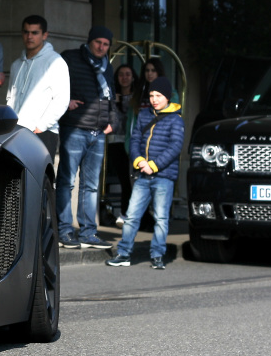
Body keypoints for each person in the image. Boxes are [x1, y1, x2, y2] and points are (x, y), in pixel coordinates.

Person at [107, 77, 184, 270]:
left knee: (160, 218)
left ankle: (158, 255)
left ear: (167, 97)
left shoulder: (176, 118)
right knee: (132, 216)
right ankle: (123, 254)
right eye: (151, 95)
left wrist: (154, 165)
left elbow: (176, 146)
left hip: (163, 177)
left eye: (158, 95)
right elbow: (134, 140)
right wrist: (139, 160)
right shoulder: (143, 115)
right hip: (142, 174)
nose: (154, 99)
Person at [56, 26, 120, 250]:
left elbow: (111, 95)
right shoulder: (70, 58)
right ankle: (64, 230)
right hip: (74, 128)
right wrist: (65, 104)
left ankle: (88, 232)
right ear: (89, 41)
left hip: (98, 132)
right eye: (98, 43)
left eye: (105, 44)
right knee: (66, 182)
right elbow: (53, 85)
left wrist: (114, 120)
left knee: (91, 186)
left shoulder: (107, 67)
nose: (101, 47)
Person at [7, 15, 68, 161]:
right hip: (16, 132)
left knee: (40, 181)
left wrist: (41, 126)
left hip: (42, 132)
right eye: (26, 32)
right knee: (16, 180)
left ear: (44, 35)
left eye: (35, 33)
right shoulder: (16, 65)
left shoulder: (55, 62)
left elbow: (62, 100)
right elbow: (10, 97)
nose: (29, 36)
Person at [106, 63, 138, 225]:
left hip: (133, 142)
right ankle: (124, 213)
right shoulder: (112, 96)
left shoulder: (137, 97)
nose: (124, 78)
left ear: (133, 77)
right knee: (124, 179)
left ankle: (128, 213)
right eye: (121, 75)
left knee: (131, 179)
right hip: (116, 142)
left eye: (128, 74)